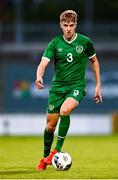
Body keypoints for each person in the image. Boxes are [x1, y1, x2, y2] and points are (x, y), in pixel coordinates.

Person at [35, 10, 102, 171]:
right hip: (57, 89)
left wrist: (98, 85)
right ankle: (45, 158)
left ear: (76, 25)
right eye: (65, 25)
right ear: (61, 25)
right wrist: (39, 76)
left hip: (76, 87)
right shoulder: (55, 43)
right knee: (50, 126)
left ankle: (56, 151)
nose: (69, 29)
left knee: (65, 110)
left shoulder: (85, 42)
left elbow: (94, 61)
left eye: (71, 25)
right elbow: (43, 63)